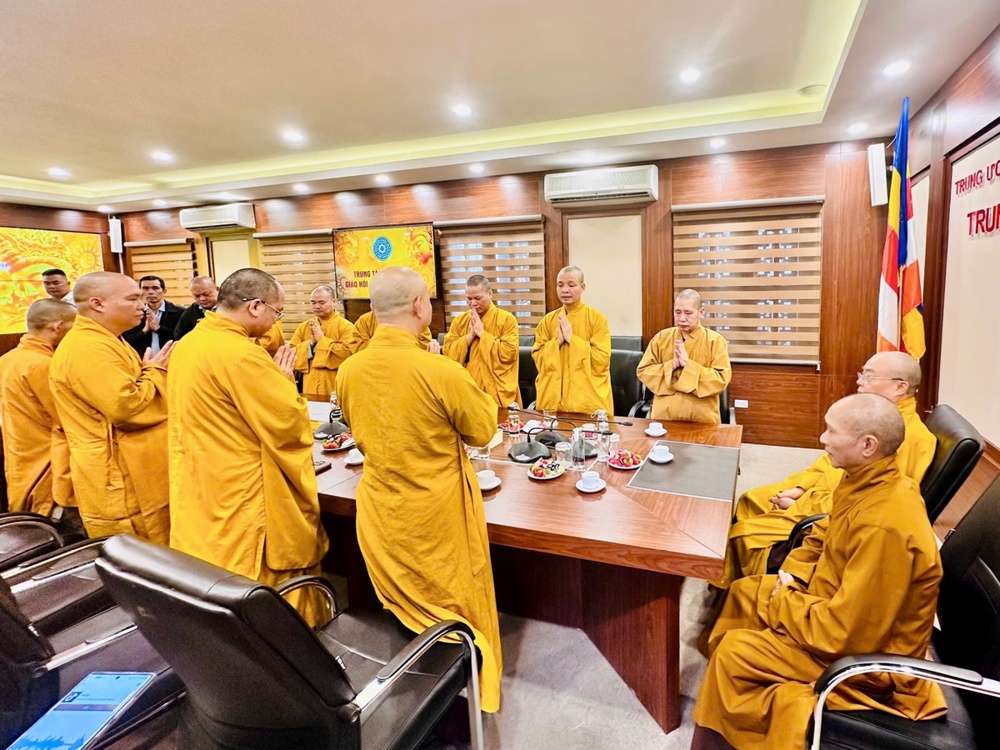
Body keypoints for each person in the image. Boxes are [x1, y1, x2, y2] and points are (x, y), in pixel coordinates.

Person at [691, 393, 946, 750]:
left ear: (867, 445)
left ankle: (721, 732)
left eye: (831, 431)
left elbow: (848, 634)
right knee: (743, 591)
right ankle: (722, 704)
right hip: (826, 602)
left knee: (735, 653)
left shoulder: (885, 527)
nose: (822, 438)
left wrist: (785, 600)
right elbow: (821, 534)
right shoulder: (865, 480)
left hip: (867, 663)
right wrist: (794, 575)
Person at [337, 267, 503, 713]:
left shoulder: (349, 370)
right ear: (418, 306)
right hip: (436, 515)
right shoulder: (440, 370)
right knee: (453, 608)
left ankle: (416, 681)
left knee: (404, 603)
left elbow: (356, 424)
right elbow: (482, 430)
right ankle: (453, 692)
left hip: (380, 510)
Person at [168, 268, 328, 626]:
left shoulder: (191, 343)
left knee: (216, 581)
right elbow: (287, 425)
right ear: (256, 306)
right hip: (244, 494)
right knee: (259, 593)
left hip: (204, 484)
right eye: (277, 312)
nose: (275, 323)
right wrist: (284, 382)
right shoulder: (240, 354)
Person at [720, 351, 935, 587]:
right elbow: (825, 463)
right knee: (750, 500)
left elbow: (871, 500)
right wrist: (800, 489)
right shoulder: (868, 418)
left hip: (826, 511)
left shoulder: (908, 437)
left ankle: (749, 581)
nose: (860, 382)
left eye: (869, 376)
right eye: (862, 374)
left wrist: (798, 506)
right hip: (818, 496)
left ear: (900, 387)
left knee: (742, 535)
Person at [49, 272, 173, 542]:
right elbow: (127, 407)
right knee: (139, 556)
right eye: (132, 299)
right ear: (98, 304)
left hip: (138, 469)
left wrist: (149, 371)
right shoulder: (87, 348)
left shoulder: (109, 339)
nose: (142, 305)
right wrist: (156, 372)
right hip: (118, 476)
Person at [0, 299, 80, 532]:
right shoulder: (44, 365)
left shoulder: (7, 359)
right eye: (74, 326)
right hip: (48, 464)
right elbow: (66, 418)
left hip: (20, 459)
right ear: (57, 326)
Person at [637, 289, 731, 423]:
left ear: (701, 312)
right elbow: (643, 371)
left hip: (702, 420)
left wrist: (688, 365)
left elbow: (721, 379)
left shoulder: (715, 341)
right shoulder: (661, 338)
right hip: (663, 419)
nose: (682, 318)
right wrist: (671, 365)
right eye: (677, 312)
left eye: (688, 313)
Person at [531, 265, 613, 414]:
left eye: (571, 285)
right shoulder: (547, 321)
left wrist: (572, 340)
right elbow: (538, 357)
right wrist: (557, 342)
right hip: (553, 401)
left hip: (587, 403)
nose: (565, 290)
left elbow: (602, 359)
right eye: (560, 285)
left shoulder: (597, 320)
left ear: (582, 287)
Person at [442, 275, 521, 419]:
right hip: (467, 392)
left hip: (497, 394)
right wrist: (469, 337)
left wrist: (483, 335)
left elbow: (509, 353)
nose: (473, 303)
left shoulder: (507, 320)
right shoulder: (459, 321)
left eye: (478, 298)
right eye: (469, 299)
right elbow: (448, 354)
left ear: (490, 294)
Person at [288, 285, 354, 400]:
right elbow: (291, 353)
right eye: (313, 303)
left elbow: (348, 353)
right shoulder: (304, 327)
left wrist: (322, 340)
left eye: (321, 302)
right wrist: (310, 344)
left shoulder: (346, 327)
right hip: (309, 383)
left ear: (334, 302)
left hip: (334, 381)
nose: (317, 306)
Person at [122, 275, 185, 356]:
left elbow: (183, 339)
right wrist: (144, 330)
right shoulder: (133, 313)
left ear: (164, 291)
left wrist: (158, 328)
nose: (150, 292)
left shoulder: (180, 312)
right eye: (145, 288)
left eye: (155, 288)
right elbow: (126, 342)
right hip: (142, 360)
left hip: (172, 358)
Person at [347, 304, 435, 353]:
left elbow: (424, 345)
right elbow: (355, 346)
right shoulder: (365, 321)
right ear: (372, 306)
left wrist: (379, 344)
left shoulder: (414, 319)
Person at [173, 275, 219, 339]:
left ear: (217, 289)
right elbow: (179, 337)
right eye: (197, 296)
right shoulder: (189, 313)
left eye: (206, 294)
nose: (202, 299)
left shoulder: (231, 307)